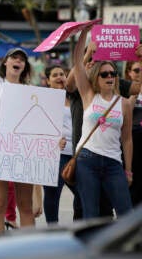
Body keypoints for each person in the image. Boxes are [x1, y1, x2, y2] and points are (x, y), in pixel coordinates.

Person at [66, 42, 142, 219]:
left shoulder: (123, 103)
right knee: (89, 212)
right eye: (104, 74)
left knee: (125, 212)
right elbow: (76, 67)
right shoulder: (88, 95)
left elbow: (127, 139)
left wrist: (128, 170)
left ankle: (120, 245)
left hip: (113, 162)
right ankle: (89, 246)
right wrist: (84, 38)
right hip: (87, 159)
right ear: (96, 78)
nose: (110, 76)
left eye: (113, 73)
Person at [0, 0, 35, 234]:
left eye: (22, 58)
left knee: (25, 206)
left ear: (25, 67)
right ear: (6, 62)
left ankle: (31, 255)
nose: (18, 60)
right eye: (14, 57)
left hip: (23, 147)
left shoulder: (33, 93)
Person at [42, 65, 76, 224]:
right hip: (55, 154)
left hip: (77, 153)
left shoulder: (76, 97)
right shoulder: (44, 99)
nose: (59, 77)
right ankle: (52, 230)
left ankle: (80, 227)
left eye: (62, 74)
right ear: (48, 81)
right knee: (52, 196)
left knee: (83, 195)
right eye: (54, 75)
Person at [125, 59, 142, 207]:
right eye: (137, 70)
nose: (140, 73)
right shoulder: (125, 91)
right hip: (133, 145)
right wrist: (134, 92)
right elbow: (126, 115)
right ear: (129, 73)